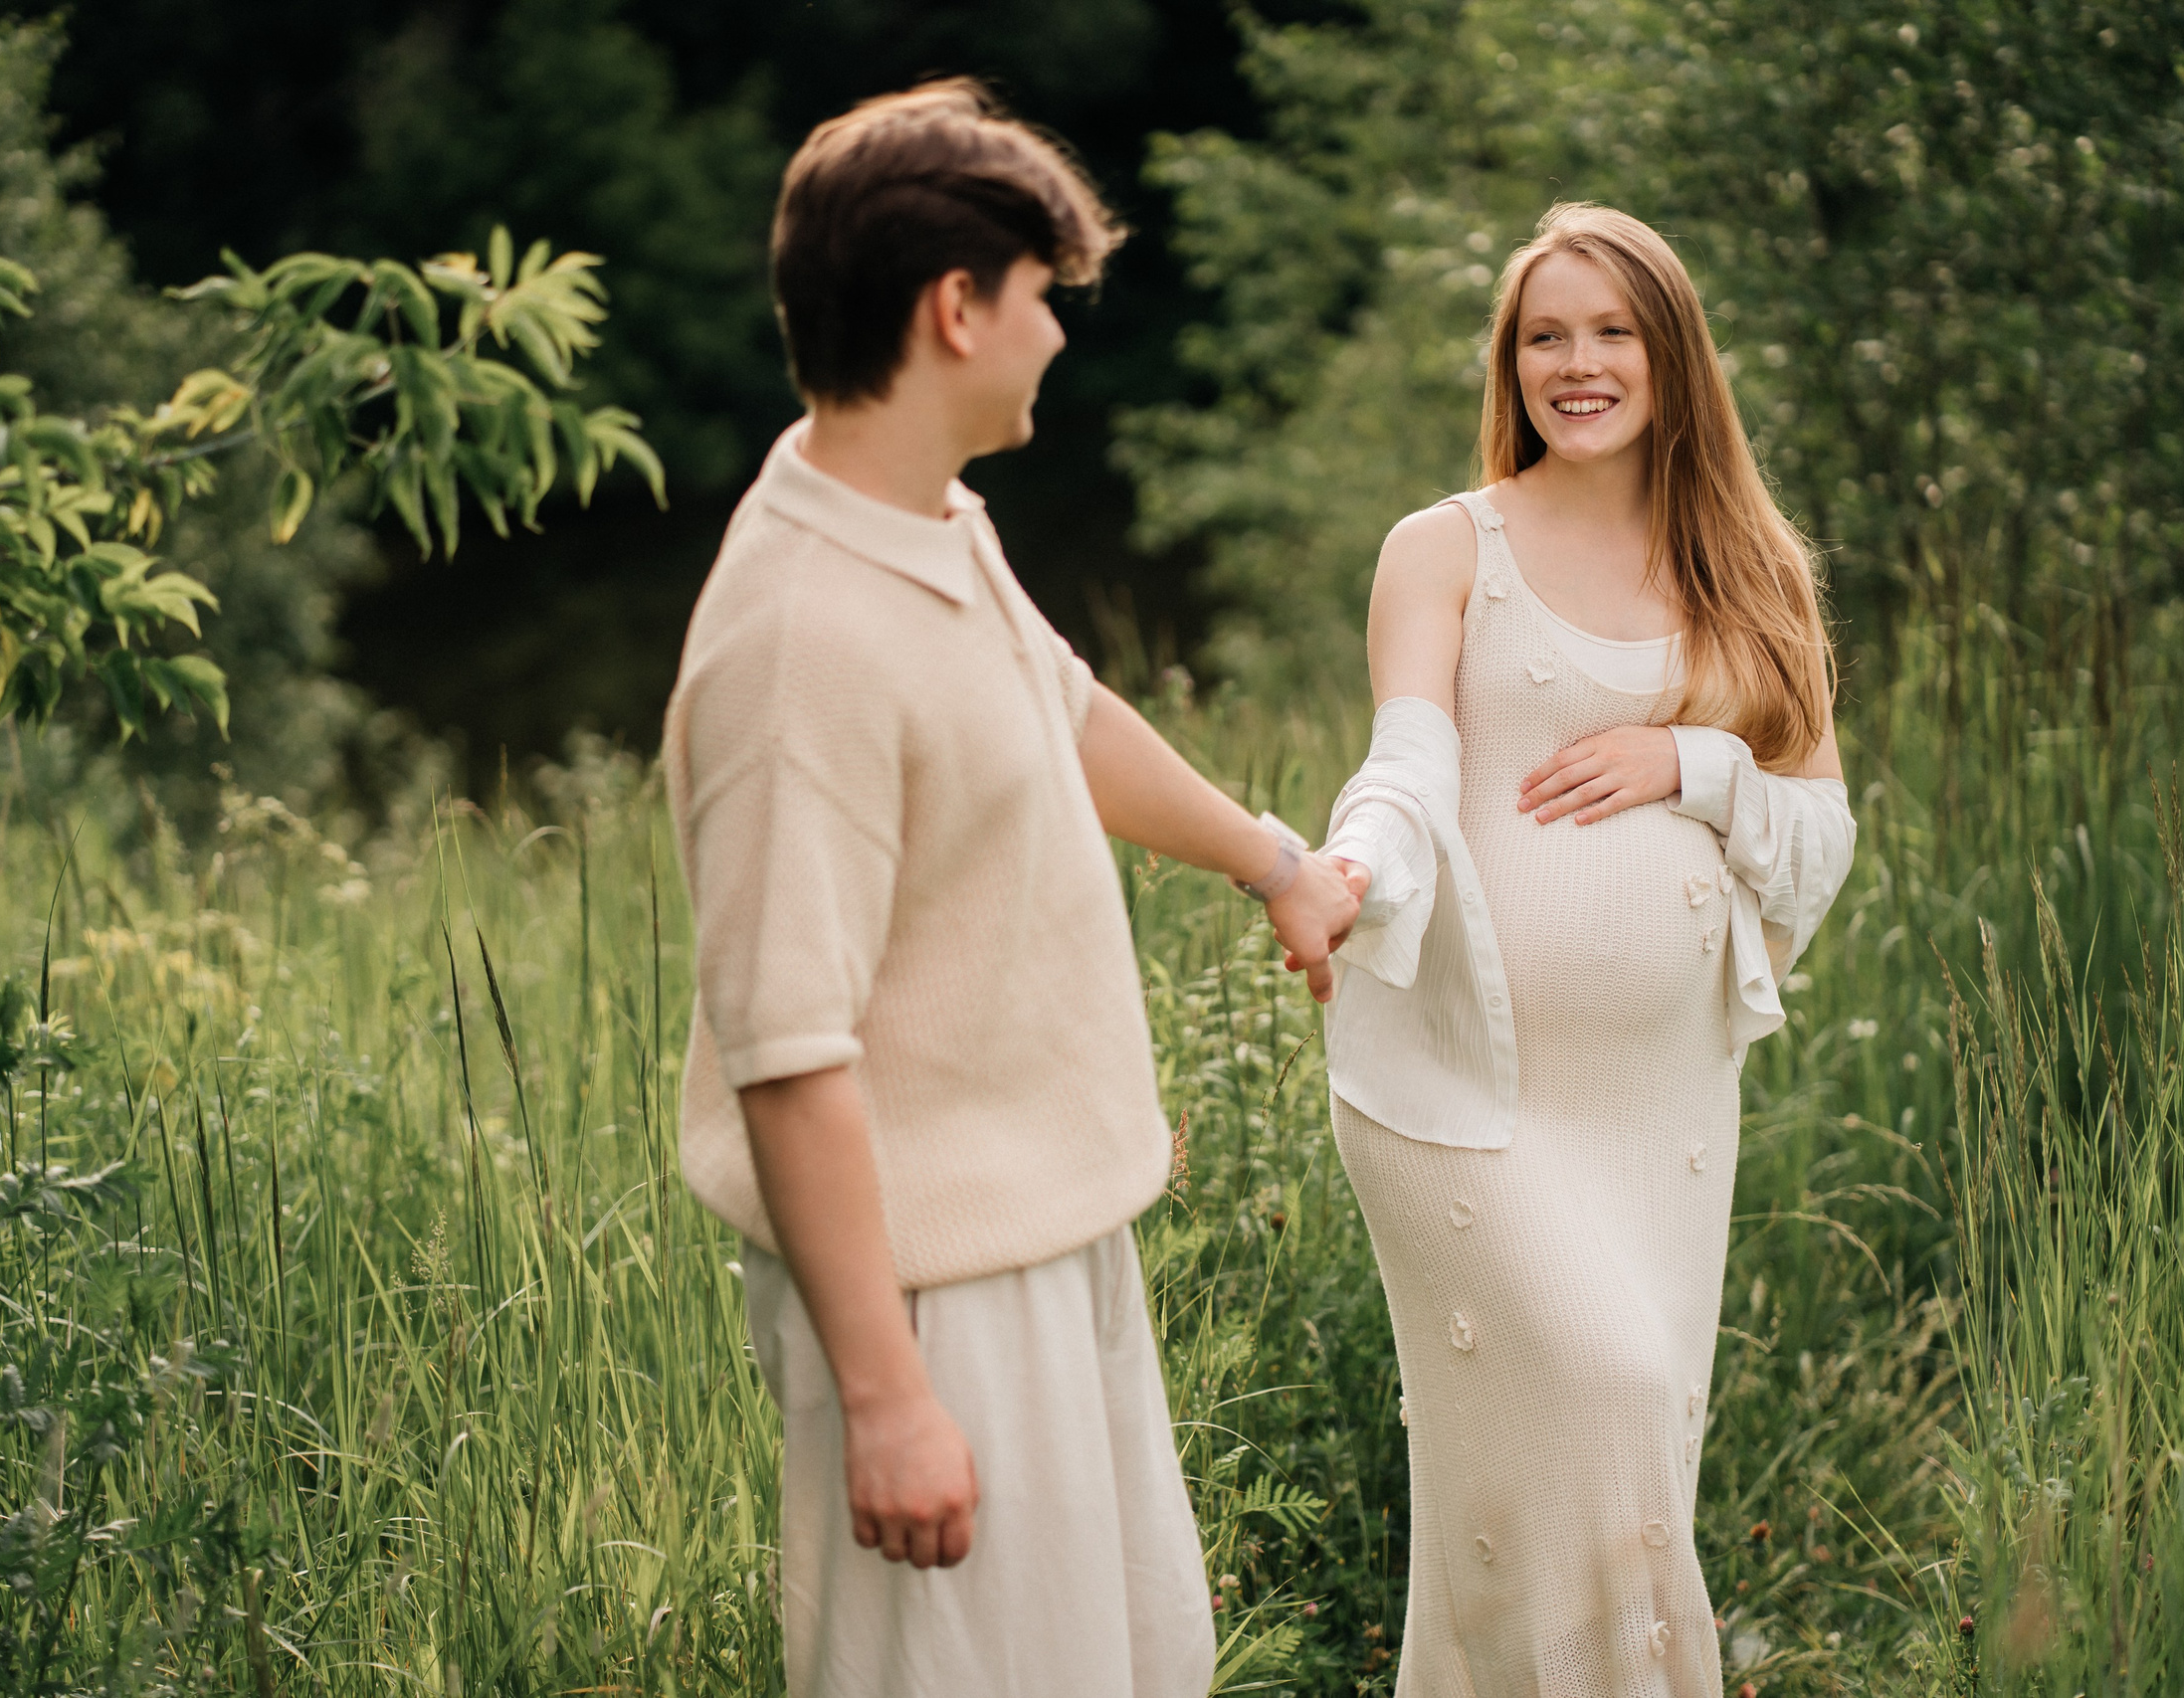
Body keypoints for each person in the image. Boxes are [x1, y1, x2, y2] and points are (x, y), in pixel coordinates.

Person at [661, 81, 1363, 1698]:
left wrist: (1275, 865)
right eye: (1048, 296)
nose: (1060, 334)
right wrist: (889, 1398)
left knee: (1128, 1662)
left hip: (1047, 1237)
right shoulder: (799, 642)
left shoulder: (923, 521)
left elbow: (1064, 710)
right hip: (928, 1296)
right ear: (956, 308)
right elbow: (786, 1053)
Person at [1317, 202, 1857, 1697]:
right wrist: (1353, 867)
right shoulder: (1445, 549)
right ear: (1511, 364)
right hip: (1460, 1093)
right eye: (1545, 336)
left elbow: (1821, 837)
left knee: (1602, 1484)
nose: (1579, 363)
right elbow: (1410, 759)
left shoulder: (1753, 570)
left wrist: (1695, 764)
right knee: (1607, 1395)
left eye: (1613, 331)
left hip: (1660, 1108)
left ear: (1673, 354)